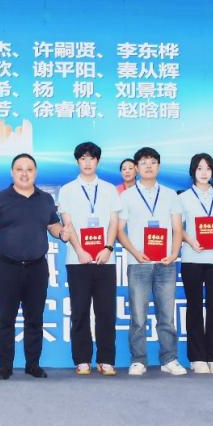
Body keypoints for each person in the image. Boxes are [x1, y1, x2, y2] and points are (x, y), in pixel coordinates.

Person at [0, 153, 68, 380]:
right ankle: (5, 366)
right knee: (6, 319)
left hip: (37, 268)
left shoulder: (45, 199)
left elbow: (53, 226)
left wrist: (62, 233)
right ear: (12, 172)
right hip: (9, 268)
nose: (24, 173)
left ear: (35, 172)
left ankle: (33, 365)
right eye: (19, 169)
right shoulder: (0, 199)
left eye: (29, 169)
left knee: (35, 319)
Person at [117, 147, 187, 377]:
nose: (148, 166)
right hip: (139, 263)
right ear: (137, 168)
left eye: (153, 162)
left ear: (158, 166)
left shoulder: (170, 195)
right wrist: (135, 252)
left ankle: (169, 359)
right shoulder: (126, 196)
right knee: (138, 315)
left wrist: (174, 253)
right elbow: (119, 230)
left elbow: (177, 228)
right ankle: (138, 360)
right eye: (144, 162)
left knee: (166, 315)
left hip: (166, 263)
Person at [58, 142, 121, 376]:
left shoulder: (109, 189)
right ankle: (82, 359)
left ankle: (106, 359)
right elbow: (67, 223)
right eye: (83, 158)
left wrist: (108, 248)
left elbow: (114, 221)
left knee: (106, 311)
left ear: (98, 161)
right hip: (78, 259)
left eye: (91, 158)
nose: (87, 163)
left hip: (105, 259)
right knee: (80, 311)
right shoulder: (67, 190)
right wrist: (79, 250)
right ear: (77, 162)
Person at [178, 153, 213, 375]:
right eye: (199, 168)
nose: (204, 172)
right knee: (195, 307)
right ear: (193, 171)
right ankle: (197, 357)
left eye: (208, 168)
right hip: (192, 258)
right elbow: (177, 228)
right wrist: (190, 240)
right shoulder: (183, 197)